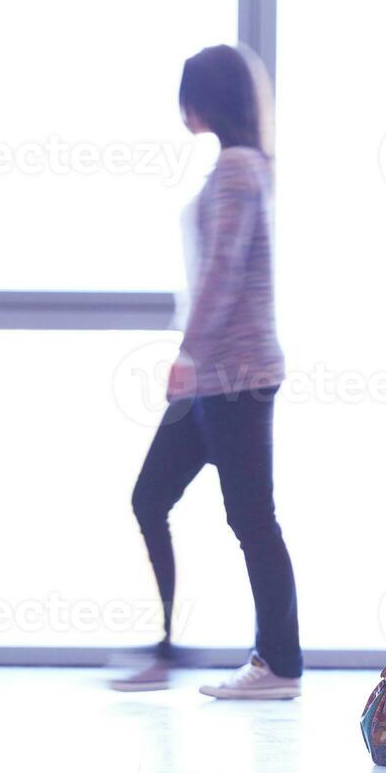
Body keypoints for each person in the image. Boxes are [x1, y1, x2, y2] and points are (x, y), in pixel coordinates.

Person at [112, 44, 303, 700]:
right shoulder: (241, 168)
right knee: (151, 498)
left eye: (187, 92)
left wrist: (187, 357)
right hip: (221, 376)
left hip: (234, 376)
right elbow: (214, 275)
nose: (180, 105)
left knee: (252, 520)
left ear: (206, 100)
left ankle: (278, 666)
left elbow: (222, 273)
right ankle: (170, 648)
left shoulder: (237, 170)